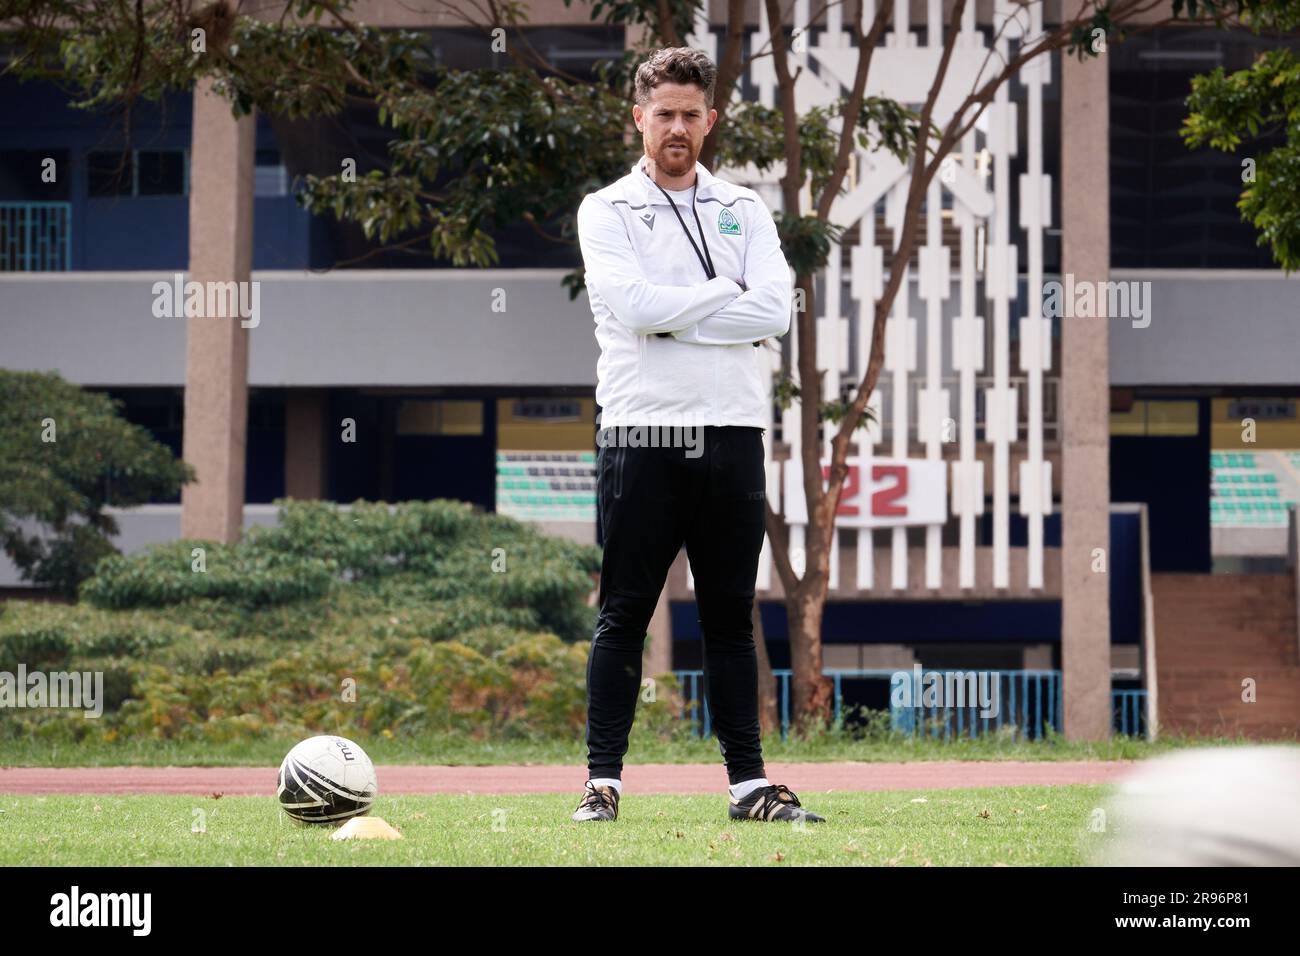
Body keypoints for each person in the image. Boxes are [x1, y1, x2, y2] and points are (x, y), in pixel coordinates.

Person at [571, 47, 823, 824]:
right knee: (624, 615)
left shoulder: (744, 209)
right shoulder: (605, 210)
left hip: (733, 433)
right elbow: (636, 309)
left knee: (729, 618)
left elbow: (775, 312)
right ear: (637, 118)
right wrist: (723, 296)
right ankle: (602, 785)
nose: (677, 127)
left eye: (690, 114)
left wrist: (683, 315)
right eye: (663, 114)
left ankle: (748, 787)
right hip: (642, 434)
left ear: (710, 121)